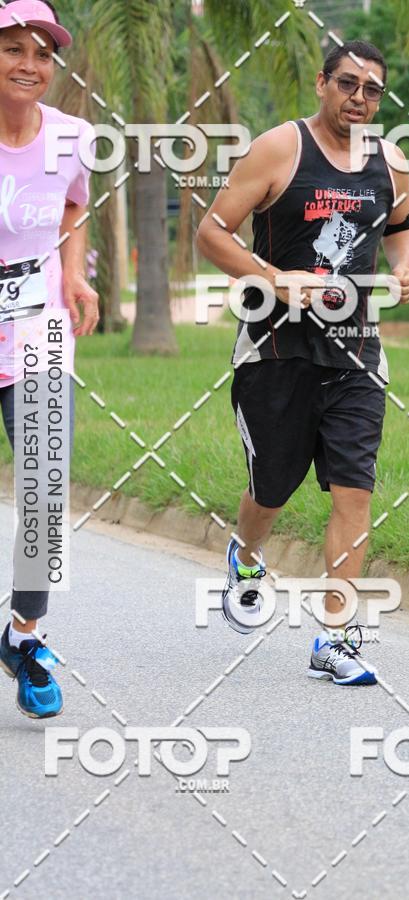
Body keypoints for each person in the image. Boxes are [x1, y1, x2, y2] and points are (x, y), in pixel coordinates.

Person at [197, 40, 409, 685]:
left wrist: (404, 269)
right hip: (276, 351)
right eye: (348, 83)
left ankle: (336, 638)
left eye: (372, 89)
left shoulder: (390, 161)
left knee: (355, 490)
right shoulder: (280, 148)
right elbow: (212, 232)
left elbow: (405, 223)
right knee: (273, 485)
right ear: (323, 84)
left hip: (356, 353)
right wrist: (275, 279)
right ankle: (246, 554)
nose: (359, 97)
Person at [0, 0, 98, 717]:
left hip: (37, 332)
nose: (29, 65)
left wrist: (74, 274)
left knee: (44, 491)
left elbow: (72, 207)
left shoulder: (71, 137)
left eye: (42, 53)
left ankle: (24, 635)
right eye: (13, 49)